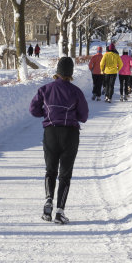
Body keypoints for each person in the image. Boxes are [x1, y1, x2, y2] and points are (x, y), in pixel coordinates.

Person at [29, 57, 89, 224]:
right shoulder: (76, 92)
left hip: (50, 133)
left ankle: (48, 200)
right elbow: (84, 116)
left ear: (57, 71)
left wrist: (48, 114)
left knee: (50, 170)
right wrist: (72, 115)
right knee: (65, 174)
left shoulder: (45, 89)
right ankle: (60, 212)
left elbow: (33, 110)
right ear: (70, 73)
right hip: (70, 134)